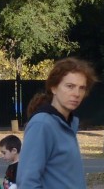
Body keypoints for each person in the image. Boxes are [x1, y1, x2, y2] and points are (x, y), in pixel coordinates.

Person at [16, 57, 96, 189]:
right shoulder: (42, 124)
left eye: (82, 88)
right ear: (54, 87)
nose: (76, 93)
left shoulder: (68, 123)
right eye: (70, 86)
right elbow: (27, 182)